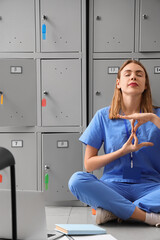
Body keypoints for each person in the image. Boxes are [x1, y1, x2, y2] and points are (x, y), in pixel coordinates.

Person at [68, 59, 160, 227]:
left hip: (151, 186)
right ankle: (146, 216)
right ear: (118, 83)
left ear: (145, 84)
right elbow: (89, 165)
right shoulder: (103, 116)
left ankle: (114, 210)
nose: (133, 77)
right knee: (77, 180)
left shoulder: (157, 115)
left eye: (139, 74)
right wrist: (121, 152)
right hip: (113, 187)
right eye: (128, 74)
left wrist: (154, 119)